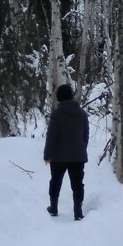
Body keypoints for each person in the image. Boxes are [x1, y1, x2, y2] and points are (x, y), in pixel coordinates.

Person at [43, 83, 89, 220]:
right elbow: (85, 135)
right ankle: (78, 211)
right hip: (78, 156)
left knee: (55, 181)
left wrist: (47, 154)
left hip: (58, 157)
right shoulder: (82, 114)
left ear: (59, 97)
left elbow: (51, 135)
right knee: (77, 184)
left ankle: (53, 208)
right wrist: (81, 148)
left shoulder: (56, 114)